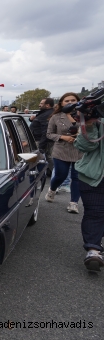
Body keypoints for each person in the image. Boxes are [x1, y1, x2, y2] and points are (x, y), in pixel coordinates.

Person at [73, 115, 104, 271]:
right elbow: (83, 146)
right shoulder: (98, 122)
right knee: (95, 212)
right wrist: (89, 125)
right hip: (93, 175)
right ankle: (94, 250)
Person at [45, 93, 83, 213]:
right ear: (61, 103)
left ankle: (74, 203)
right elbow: (49, 134)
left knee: (77, 177)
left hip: (79, 150)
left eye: (73, 100)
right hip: (61, 149)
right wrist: (62, 137)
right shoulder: (56, 117)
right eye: (67, 100)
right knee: (61, 174)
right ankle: (52, 189)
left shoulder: (83, 116)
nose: (70, 102)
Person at [29, 97, 55, 176]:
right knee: (47, 158)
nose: (39, 105)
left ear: (47, 105)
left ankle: (59, 175)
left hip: (41, 141)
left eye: (41, 103)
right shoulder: (44, 113)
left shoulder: (47, 115)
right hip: (41, 140)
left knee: (45, 159)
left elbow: (46, 131)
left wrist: (41, 146)